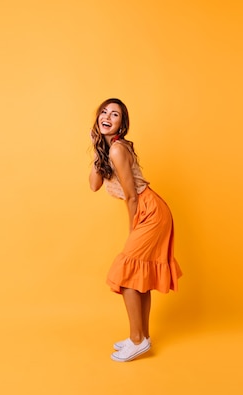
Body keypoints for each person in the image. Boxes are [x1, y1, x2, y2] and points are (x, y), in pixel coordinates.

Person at [88, 98, 182, 362]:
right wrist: (97, 148)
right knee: (139, 276)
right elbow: (93, 185)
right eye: (104, 112)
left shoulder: (118, 150)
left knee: (127, 272)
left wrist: (133, 228)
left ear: (122, 123)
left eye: (115, 114)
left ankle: (137, 340)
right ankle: (142, 337)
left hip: (149, 211)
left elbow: (131, 196)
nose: (107, 116)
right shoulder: (108, 150)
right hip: (149, 209)